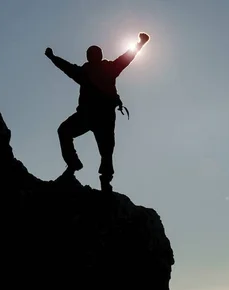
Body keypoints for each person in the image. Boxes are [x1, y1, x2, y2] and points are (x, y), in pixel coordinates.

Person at [45, 32, 150, 191]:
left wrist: (140, 44)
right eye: (91, 54)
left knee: (106, 151)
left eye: (94, 54)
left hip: (102, 117)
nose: (93, 56)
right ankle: (76, 167)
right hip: (89, 115)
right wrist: (53, 58)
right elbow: (67, 67)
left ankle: (103, 180)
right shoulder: (87, 72)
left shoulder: (106, 69)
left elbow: (127, 57)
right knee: (66, 132)